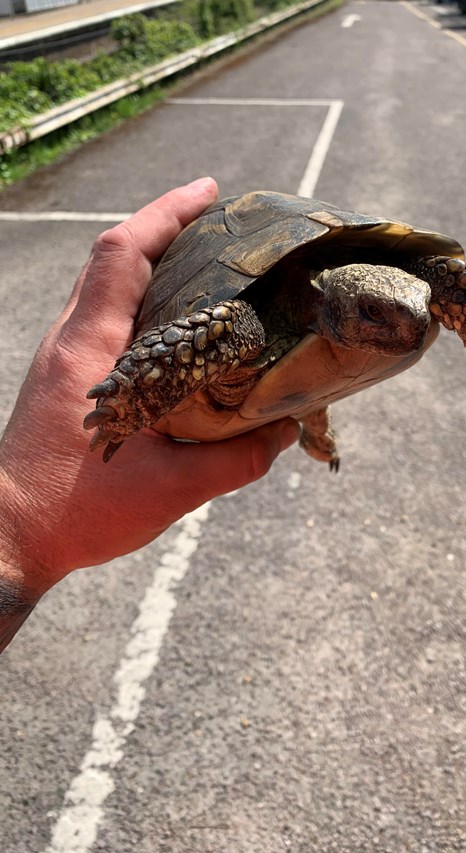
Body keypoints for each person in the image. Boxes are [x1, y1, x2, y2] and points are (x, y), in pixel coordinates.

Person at [0, 177, 300, 655]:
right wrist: (23, 524)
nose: (407, 326)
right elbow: (230, 324)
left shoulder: (391, 304)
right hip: (236, 341)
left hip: (312, 366)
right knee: (228, 329)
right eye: (373, 312)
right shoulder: (246, 325)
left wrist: (18, 537)